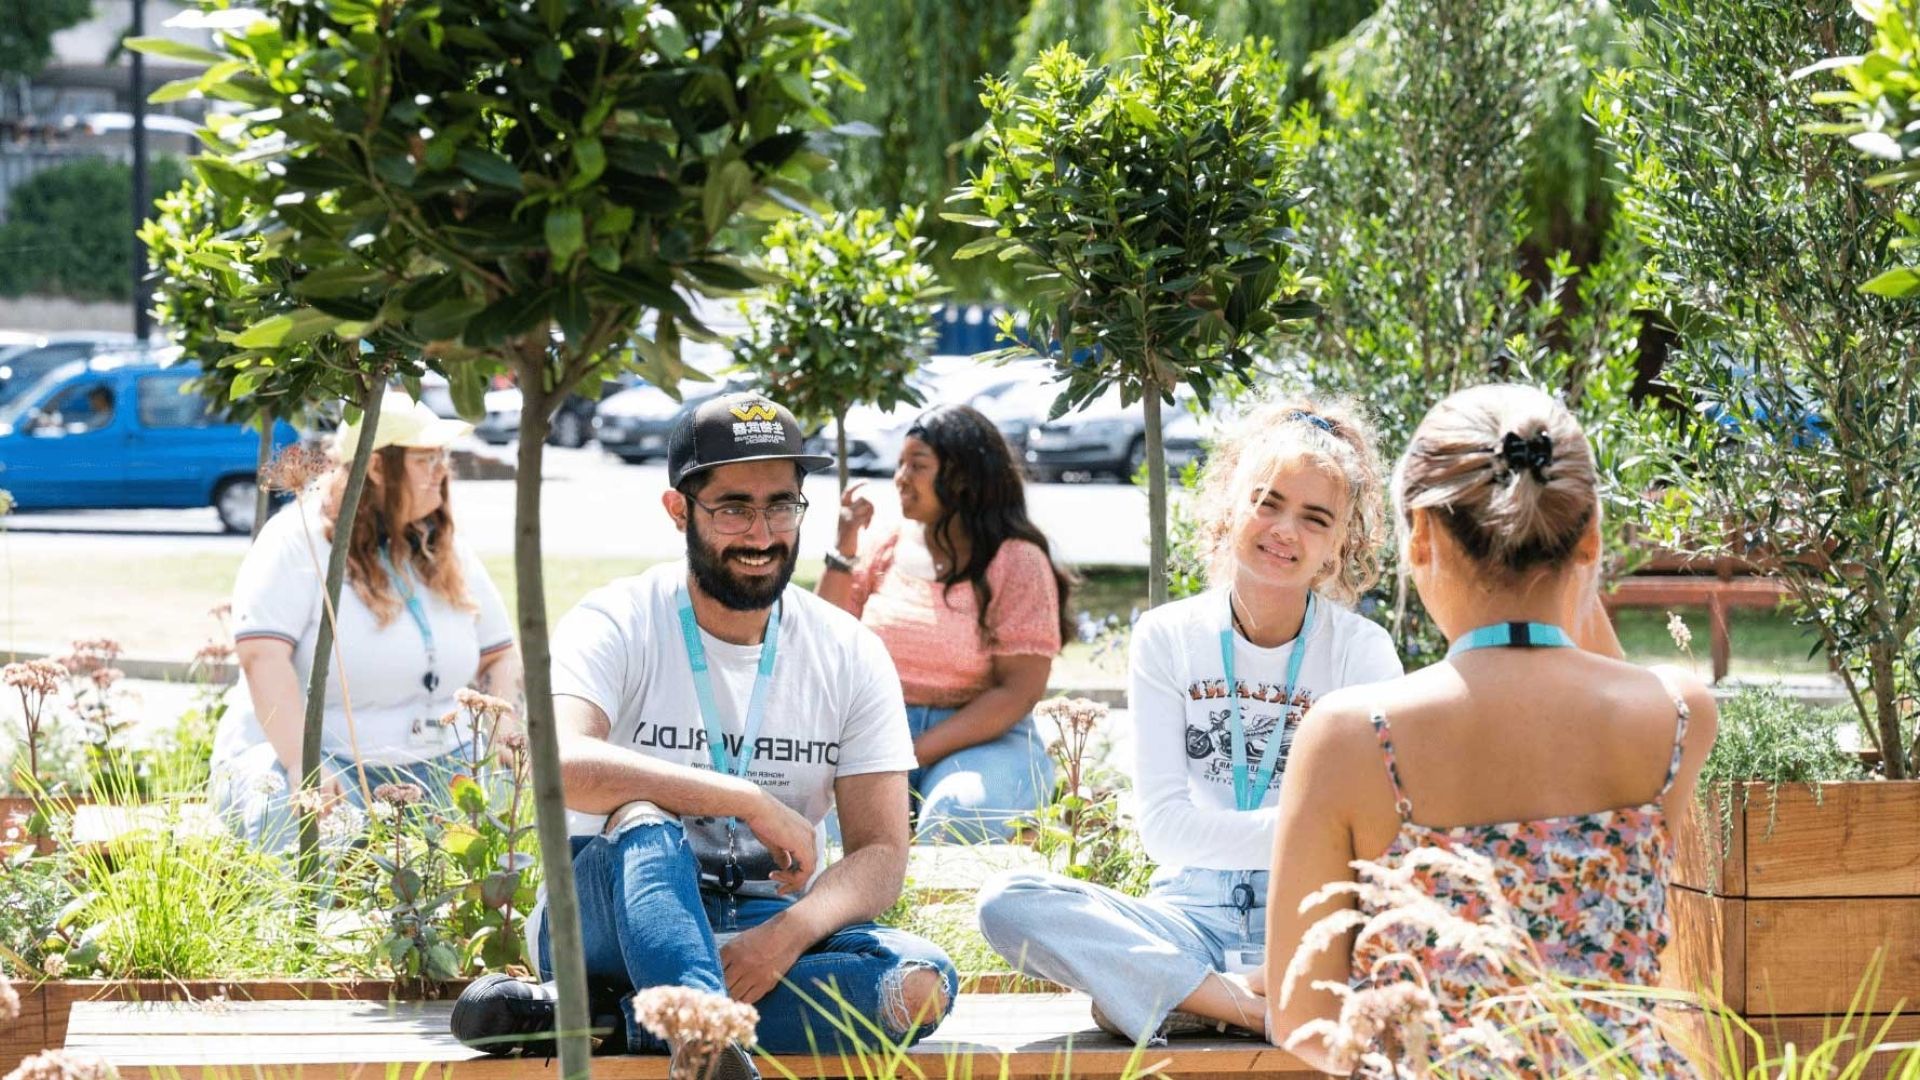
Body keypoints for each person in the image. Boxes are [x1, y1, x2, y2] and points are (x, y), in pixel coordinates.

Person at [451, 393, 957, 1073]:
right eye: (733, 509)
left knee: (918, 987)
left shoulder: (848, 650)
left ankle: (618, 1021)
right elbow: (559, 764)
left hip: (762, 929)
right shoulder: (617, 618)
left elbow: (882, 852)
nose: (762, 534)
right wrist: (744, 797)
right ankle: (701, 1036)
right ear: (678, 510)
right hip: (612, 917)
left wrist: (789, 934)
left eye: (781, 506)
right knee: (642, 815)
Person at [1259, 384, 1717, 1077]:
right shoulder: (1678, 714)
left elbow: (1302, 1015)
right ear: (1590, 539)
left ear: (1421, 537)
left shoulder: (1354, 736)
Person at [976, 398, 1404, 1046]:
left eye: (1315, 518)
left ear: (1341, 543)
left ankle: (1173, 995)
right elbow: (1164, 833)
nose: (1284, 530)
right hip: (1187, 920)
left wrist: (1296, 839)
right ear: (1230, 503)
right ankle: (1251, 1007)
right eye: (1267, 502)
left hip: (1308, 920)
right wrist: (1310, 829)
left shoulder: (1362, 652)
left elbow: (1371, 831)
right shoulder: (1166, 636)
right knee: (1008, 903)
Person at [212, 395, 522, 848]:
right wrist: (302, 763)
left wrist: (501, 731)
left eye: (442, 457)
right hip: (327, 764)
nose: (442, 471)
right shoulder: (297, 540)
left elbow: (499, 653)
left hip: (441, 763)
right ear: (376, 467)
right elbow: (262, 657)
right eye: (425, 459)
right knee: (289, 807)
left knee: (516, 806)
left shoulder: (443, 546)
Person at [817, 403, 1070, 843]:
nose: (900, 478)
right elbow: (825, 638)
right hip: (879, 731)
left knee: (958, 816)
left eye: (917, 465)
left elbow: (1019, 690)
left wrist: (911, 754)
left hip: (983, 740)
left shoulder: (1017, 561)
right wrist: (844, 548)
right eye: (900, 464)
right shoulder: (885, 546)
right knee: (830, 827)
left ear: (964, 477)